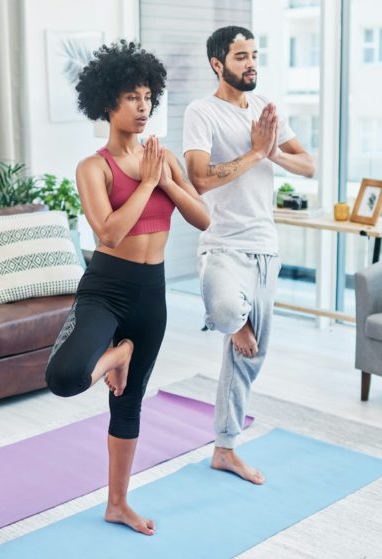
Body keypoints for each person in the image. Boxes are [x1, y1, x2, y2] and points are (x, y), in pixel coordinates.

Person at [45, 40, 209, 536]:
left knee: (129, 402)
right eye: (131, 98)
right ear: (106, 103)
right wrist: (143, 184)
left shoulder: (165, 158)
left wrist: (165, 181)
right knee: (66, 377)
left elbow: (202, 218)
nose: (142, 108)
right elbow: (108, 232)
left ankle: (117, 502)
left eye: (147, 97)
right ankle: (116, 355)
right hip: (106, 289)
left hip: (150, 294)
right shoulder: (93, 167)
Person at [183, 26, 316, 485]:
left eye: (254, 55)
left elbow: (309, 164)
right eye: (241, 56)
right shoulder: (202, 112)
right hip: (222, 243)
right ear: (218, 64)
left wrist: (271, 150)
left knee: (249, 359)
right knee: (224, 311)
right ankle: (236, 323)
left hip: (265, 249)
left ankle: (226, 448)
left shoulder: (265, 110)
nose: (251, 63)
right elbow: (198, 179)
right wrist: (256, 152)